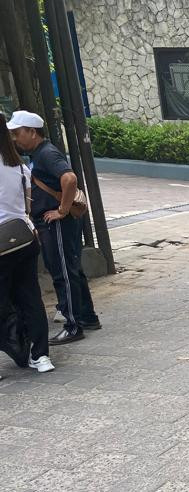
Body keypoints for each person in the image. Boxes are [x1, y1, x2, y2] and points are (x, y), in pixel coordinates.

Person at [7, 110, 100, 345]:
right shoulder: (40, 154)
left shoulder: (46, 153)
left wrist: (62, 210)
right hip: (56, 223)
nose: (15, 138)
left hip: (57, 224)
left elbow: (69, 179)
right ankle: (87, 316)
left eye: (17, 133)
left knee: (63, 273)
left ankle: (73, 325)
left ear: (32, 132)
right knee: (71, 269)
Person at [0, 113, 53, 373]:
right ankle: (40, 356)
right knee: (31, 297)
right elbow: (26, 207)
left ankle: (14, 346)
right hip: (24, 239)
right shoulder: (21, 167)